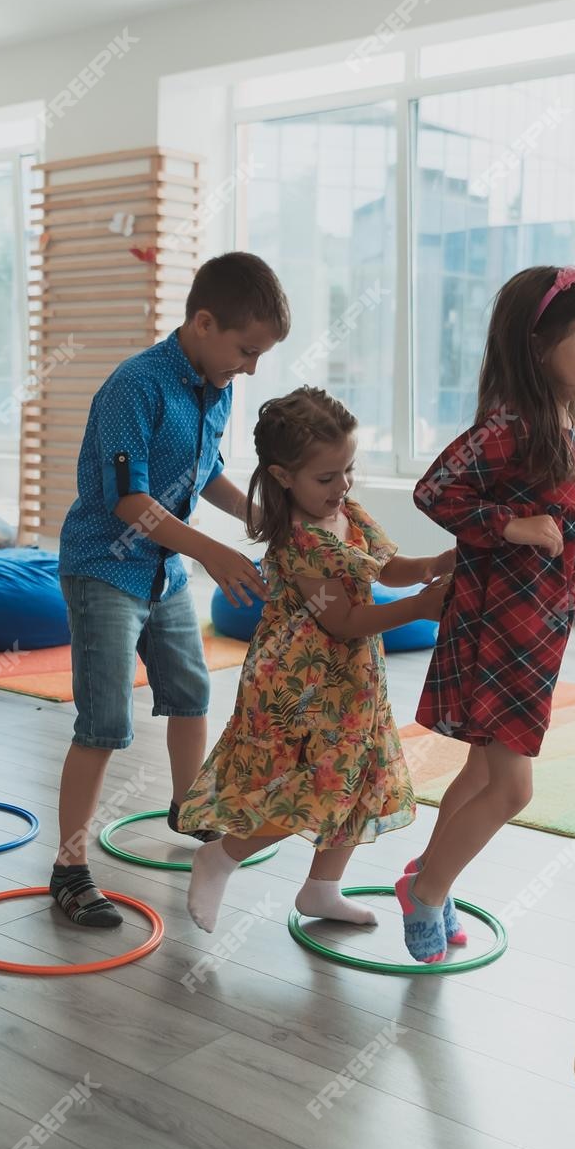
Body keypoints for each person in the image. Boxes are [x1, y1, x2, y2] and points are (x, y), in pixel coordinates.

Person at [45, 251, 289, 927]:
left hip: (164, 567)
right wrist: (212, 550)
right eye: (246, 350)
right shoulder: (136, 386)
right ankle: (68, 867)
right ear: (204, 323)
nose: (251, 367)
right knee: (104, 723)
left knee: (191, 690)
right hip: (106, 567)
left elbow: (204, 473)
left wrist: (257, 517)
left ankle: (191, 809)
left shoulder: (218, 384)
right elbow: (130, 502)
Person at [400, 261, 575, 963]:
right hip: (500, 631)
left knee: (481, 774)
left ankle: (428, 878)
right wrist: (510, 526)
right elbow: (433, 491)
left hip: (534, 633)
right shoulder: (516, 426)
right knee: (513, 789)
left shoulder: (560, 423)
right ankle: (429, 890)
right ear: (539, 346)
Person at [177, 387, 450, 932]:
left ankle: (321, 889)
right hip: (297, 690)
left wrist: (431, 566)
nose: (342, 486)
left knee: (357, 781)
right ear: (282, 477)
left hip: (353, 686)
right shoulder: (298, 543)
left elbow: (386, 565)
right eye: (326, 478)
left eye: (347, 470)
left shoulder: (346, 511)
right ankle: (221, 855)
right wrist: (422, 607)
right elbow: (344, 622)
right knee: (309, 788)